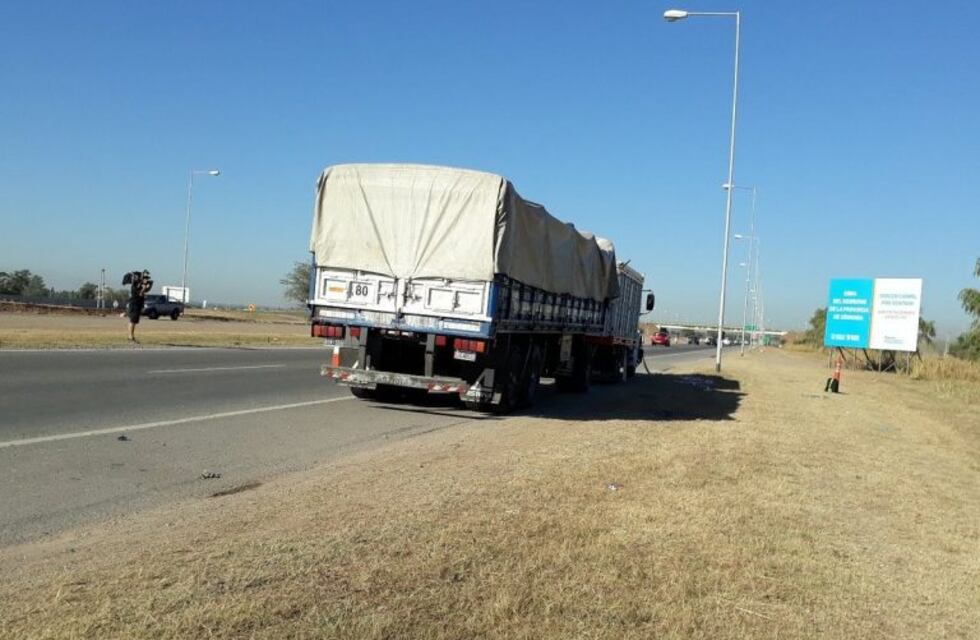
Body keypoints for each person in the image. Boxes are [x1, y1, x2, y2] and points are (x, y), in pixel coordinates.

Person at [122, 270, 153, 342]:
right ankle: (130, 336)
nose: (146, 279)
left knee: (134, 321)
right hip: (134, 304)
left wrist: (147, 288)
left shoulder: (140, 285)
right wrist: (144, 288)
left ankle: (131, 336)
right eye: (145, 278)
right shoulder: (135, 285)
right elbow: (140, 294)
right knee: (132, 320)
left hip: (138, 305)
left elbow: (144, 293)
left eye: (147, 278)